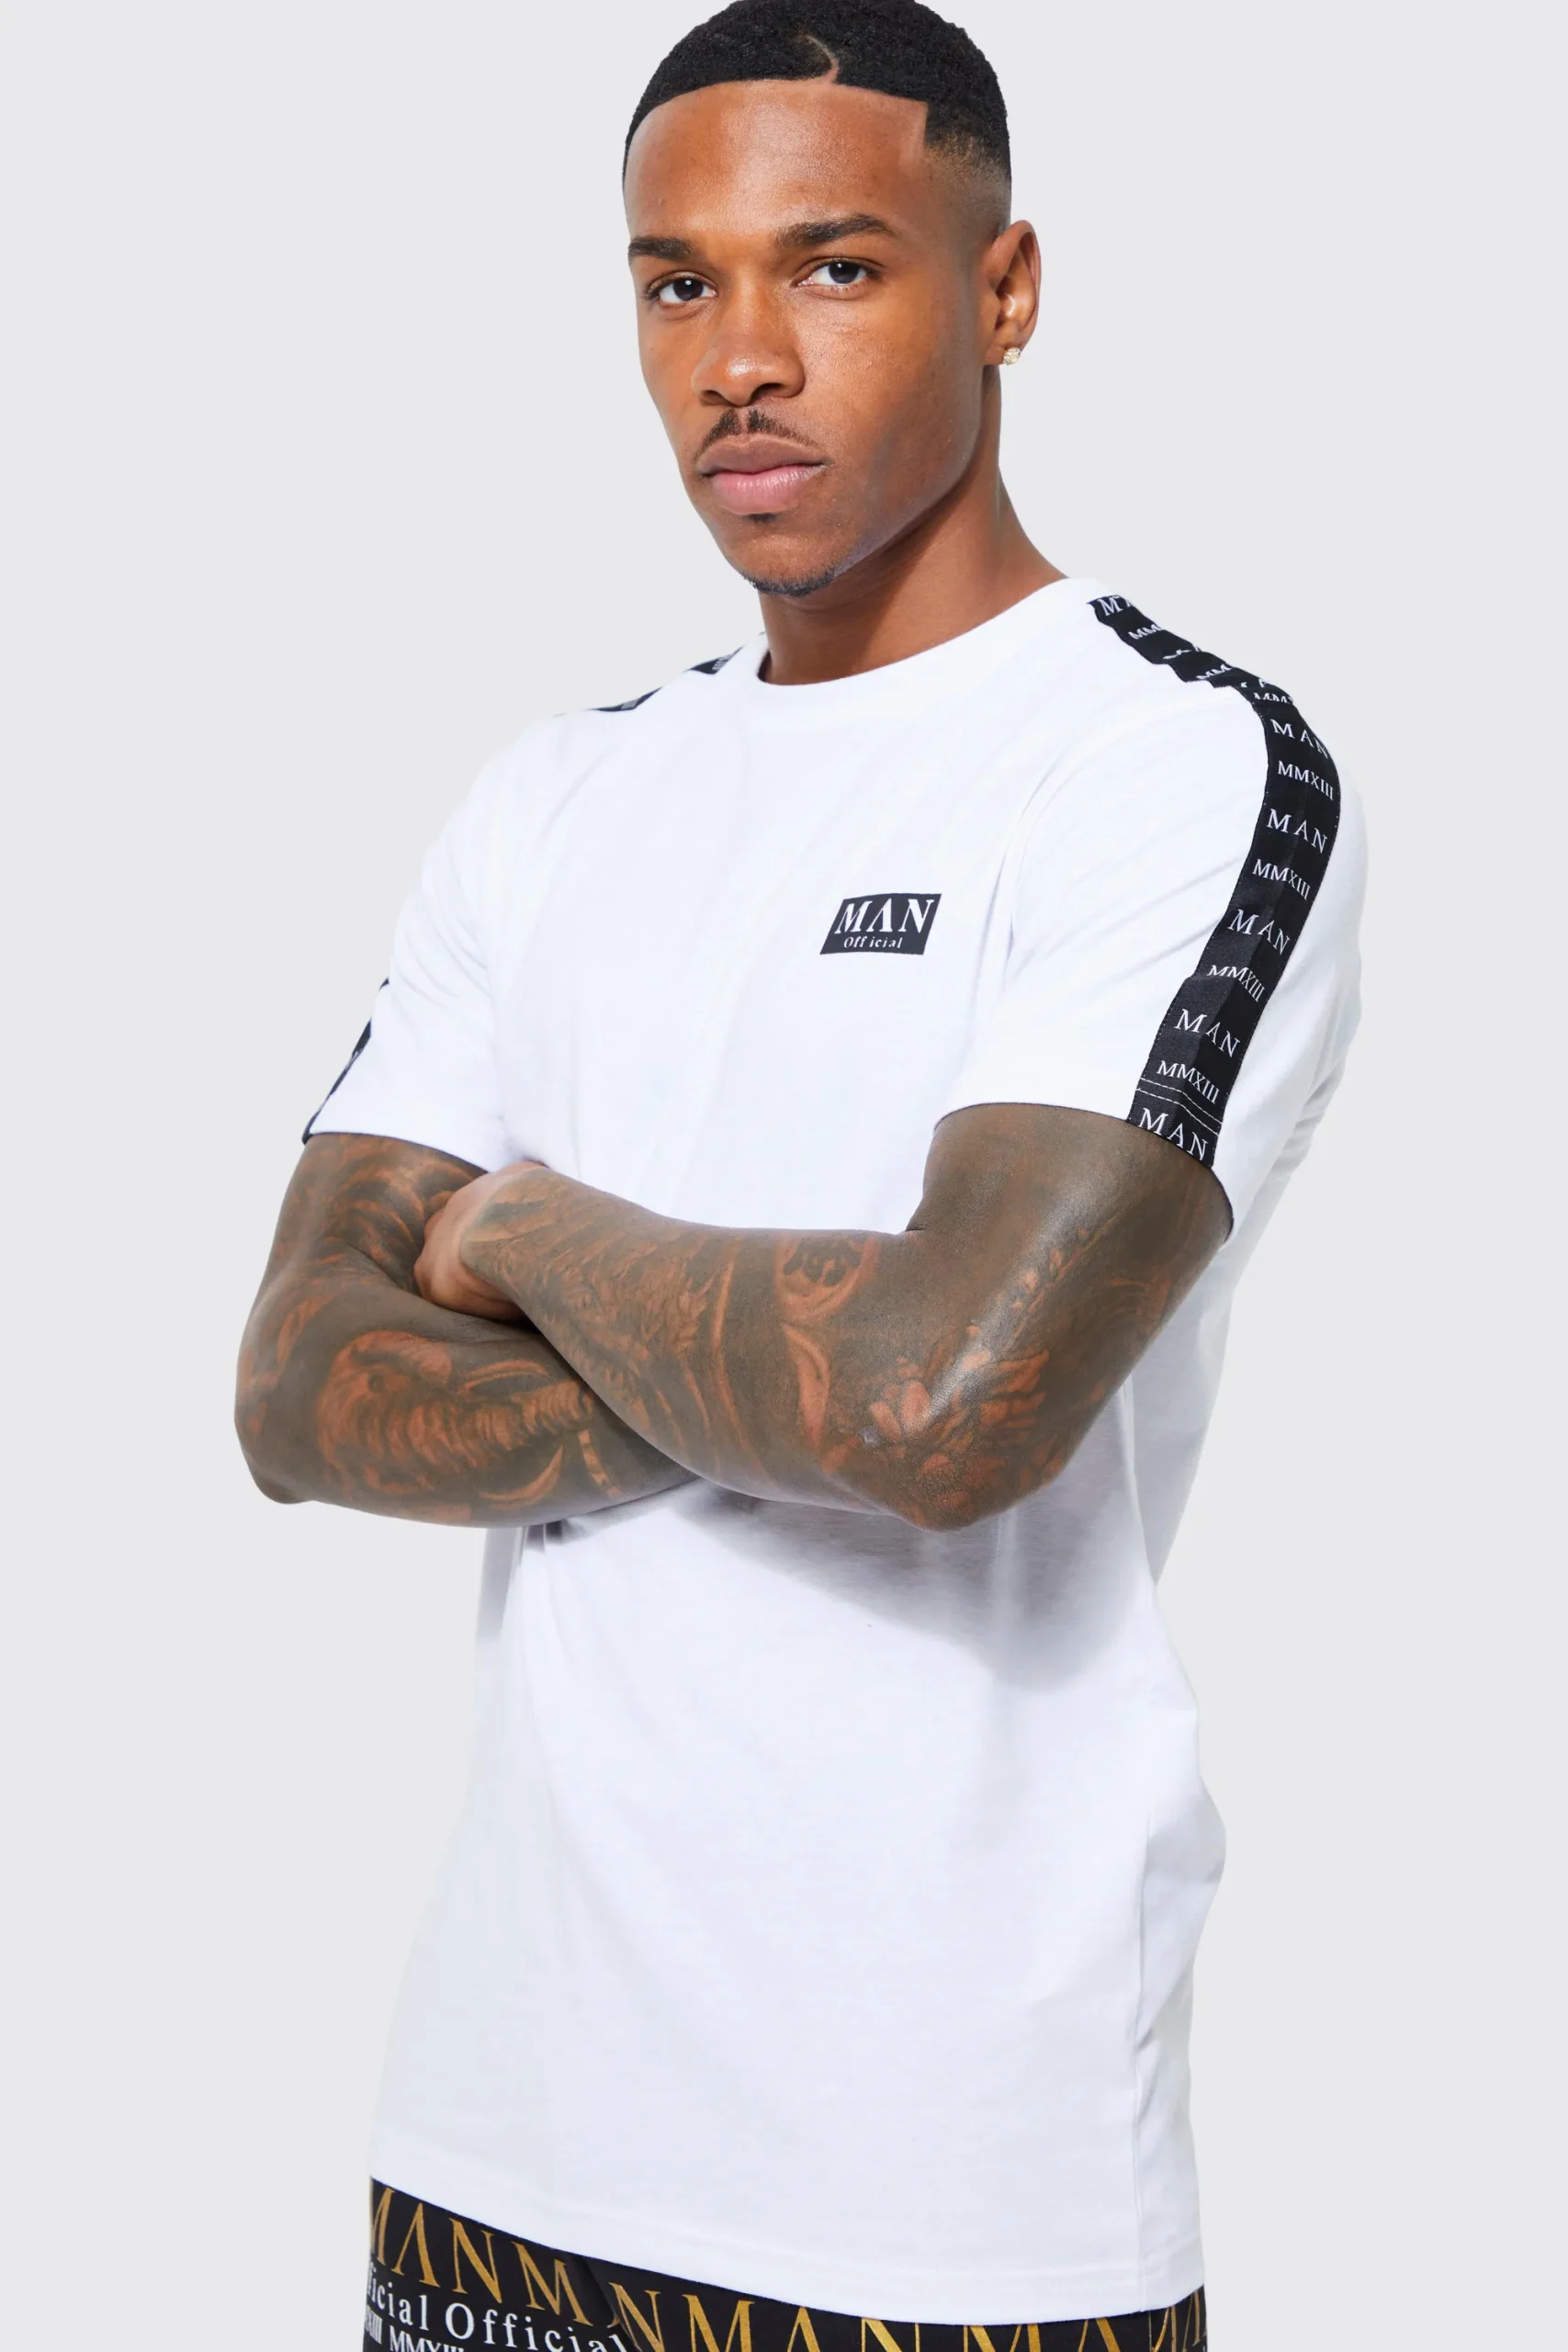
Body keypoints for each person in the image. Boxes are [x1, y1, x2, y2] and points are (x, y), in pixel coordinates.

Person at [237, 4, 1363, 2346]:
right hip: (489, 2149)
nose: (738, 358)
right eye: (678, 283)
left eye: (833, 267)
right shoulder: (556, 797)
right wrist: (802, 1366)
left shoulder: (1168, 768)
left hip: (942, 2202)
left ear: (1005, 286)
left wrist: (514, 1227)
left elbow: (946, 1404)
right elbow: (299, 1389)